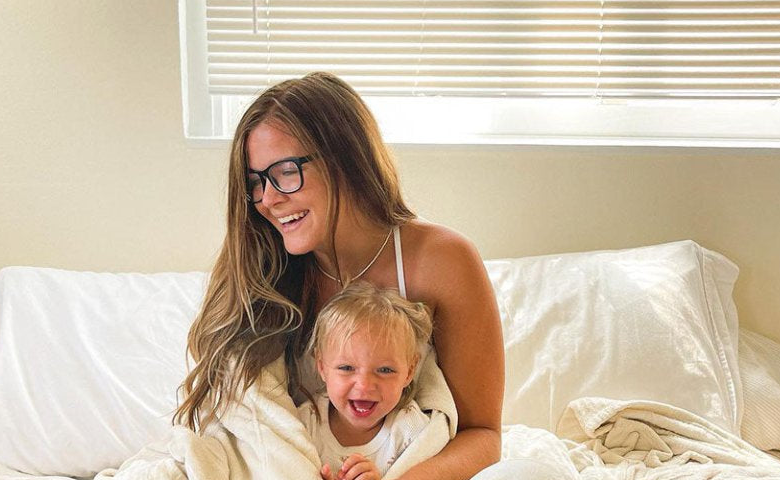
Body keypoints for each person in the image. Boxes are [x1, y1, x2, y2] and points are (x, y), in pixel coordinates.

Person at [176, 72, 555, 479]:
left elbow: (482, 434)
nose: (268, 199)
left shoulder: (441, 260)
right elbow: (241, 426)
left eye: (286, 171)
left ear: (346, 159)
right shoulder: (261, 273)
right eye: (256, 182)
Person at [298, 281, 439, 480]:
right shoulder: (305, 423)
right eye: (346, 368)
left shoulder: (412, 430)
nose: (364, 386)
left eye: (385, 370)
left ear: (409, 372)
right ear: (321, 366)